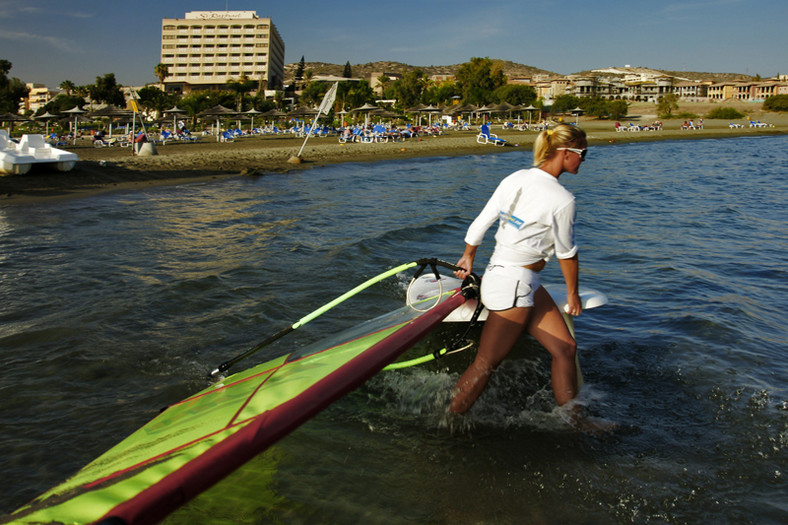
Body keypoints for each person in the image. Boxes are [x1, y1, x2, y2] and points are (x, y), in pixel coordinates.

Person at [450, 123, 589, 419]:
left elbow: (482, 221)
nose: (584, 159)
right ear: (565, 153)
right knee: (486, 363)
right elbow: (567, 254)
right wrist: (572, 294)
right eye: (582, 152)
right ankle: (448, 422)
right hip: (513, 285)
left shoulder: (517, 177)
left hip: (511, 278)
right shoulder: (563, 200)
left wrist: (468, 256)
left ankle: (575, 421)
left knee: (565, 347)